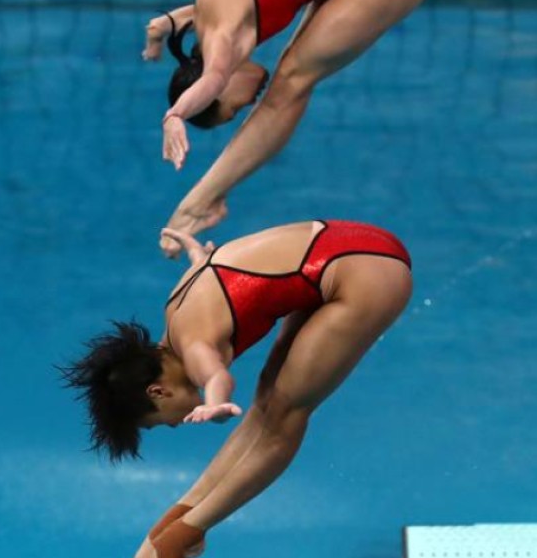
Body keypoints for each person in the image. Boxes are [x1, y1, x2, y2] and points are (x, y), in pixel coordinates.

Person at [60, 219, 412, 557]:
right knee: (268, 401)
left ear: (157, 392)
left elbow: (216, 377)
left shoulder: (194, 348)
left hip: (371, 272)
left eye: (158, 422)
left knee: (284, 415)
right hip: (342, 244)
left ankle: (183, 535)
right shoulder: (175, 312)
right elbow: (202, 272)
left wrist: (215, 403)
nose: (173, 424)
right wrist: (198, 255)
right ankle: (179, 520)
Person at [141, 0, 436, 258]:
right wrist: (156, 38)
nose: (250, 104)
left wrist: (175, 115)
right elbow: (163, 23)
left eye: (235, 109)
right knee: (290, 68)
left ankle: (196, 205)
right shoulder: (210, 11)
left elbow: (214, 77)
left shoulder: (222, 41)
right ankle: (207, 199)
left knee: (291, 83)